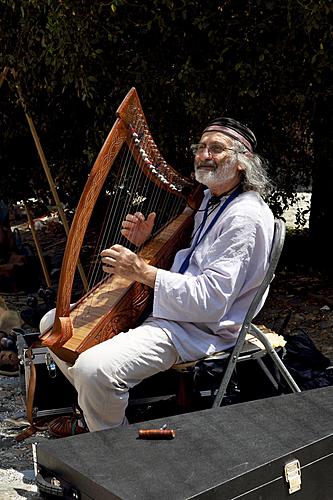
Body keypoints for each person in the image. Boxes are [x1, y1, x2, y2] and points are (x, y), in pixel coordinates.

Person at [44, 117, 274, 437]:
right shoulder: (211, 198)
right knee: (53, 324)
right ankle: (102, 417)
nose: (204, 155)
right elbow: (193, 258)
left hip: (198, 328)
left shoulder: (243, 217)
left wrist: (141, 270)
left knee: (92, 370)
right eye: (201, 147)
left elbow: (211, 301)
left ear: (242, 162)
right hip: (175, 312)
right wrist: (145, 243)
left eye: (216, 149)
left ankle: (113, 448)